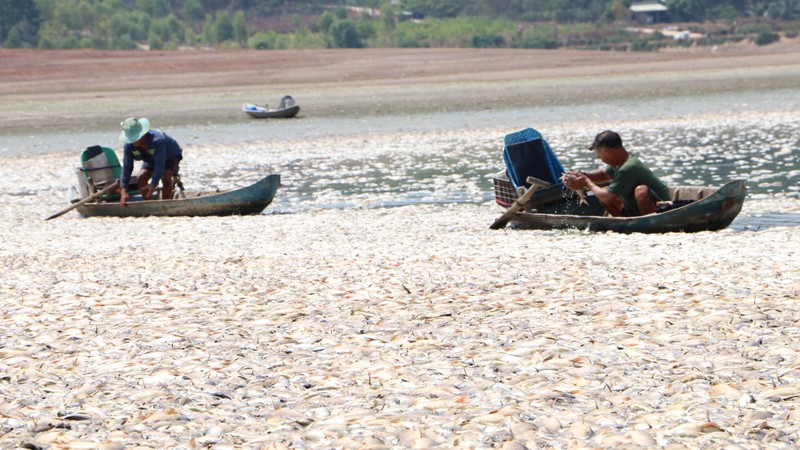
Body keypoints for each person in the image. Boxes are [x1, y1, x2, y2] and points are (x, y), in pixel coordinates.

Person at [563, 130, 669, 217]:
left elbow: (607, 197)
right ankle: (627, 223)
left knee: (640, 190)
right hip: (635, 209)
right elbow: (603, 174)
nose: (601, 160)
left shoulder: (629, 167)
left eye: (600, 157)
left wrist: (587, 182)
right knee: (604, 193)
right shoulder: (618, 162)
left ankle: (650, 223)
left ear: (609, 153)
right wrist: (581, 175)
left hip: (663, 210)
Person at [118, 117, 183, 207]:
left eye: (136, 137)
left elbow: (159, 164)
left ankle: (165, 205)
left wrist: (153, 184)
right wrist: (123, 191)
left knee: (166, 177)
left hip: (169, 156)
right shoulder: (128, 147)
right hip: (150, 158)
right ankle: (148, 205)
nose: (134, 141)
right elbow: (127, 168)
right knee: (140, 177)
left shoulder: (157, 140)